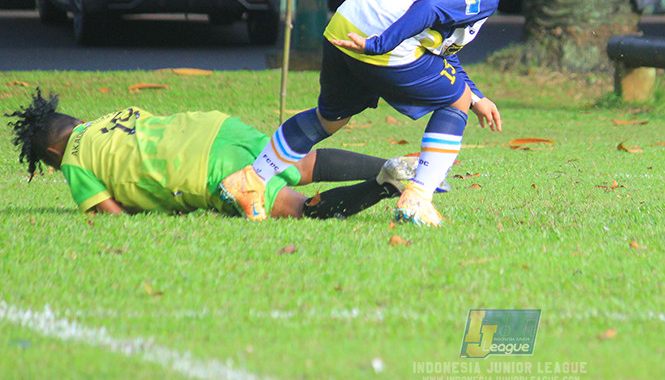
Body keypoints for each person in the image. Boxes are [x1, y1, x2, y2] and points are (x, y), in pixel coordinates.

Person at [219, 0, 553, 227]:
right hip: (377, 40)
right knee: (456, 101)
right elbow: (428, 8)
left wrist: (477, 96)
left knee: (330, 118)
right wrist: (379, 45)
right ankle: (418, 198)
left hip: (346, 23)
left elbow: (440, 48)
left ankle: (250, 181)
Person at [5, 89, 424, 220]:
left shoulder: (74, 160)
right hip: (216, 128)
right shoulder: (111, 117)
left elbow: (110, 215)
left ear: (53, 151)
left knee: (297, 207)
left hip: (203, 168)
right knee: (300, 164)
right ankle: (412, 171)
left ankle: (385, 185)